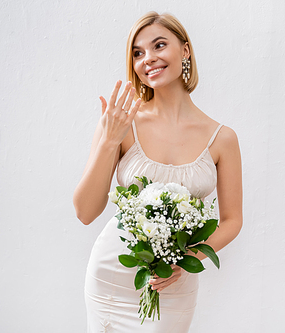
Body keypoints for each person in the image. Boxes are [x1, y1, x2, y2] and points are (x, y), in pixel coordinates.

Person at [73, 11, 243, 332]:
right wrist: (109, 141)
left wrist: (185, 260)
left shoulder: (222, 138)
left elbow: (232, 220)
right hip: (112, 279)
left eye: (159, 45)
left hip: (173, 286)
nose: (147, 58)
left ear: (185, 50)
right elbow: (84, 211)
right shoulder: (122, 123)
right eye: (138, 53)